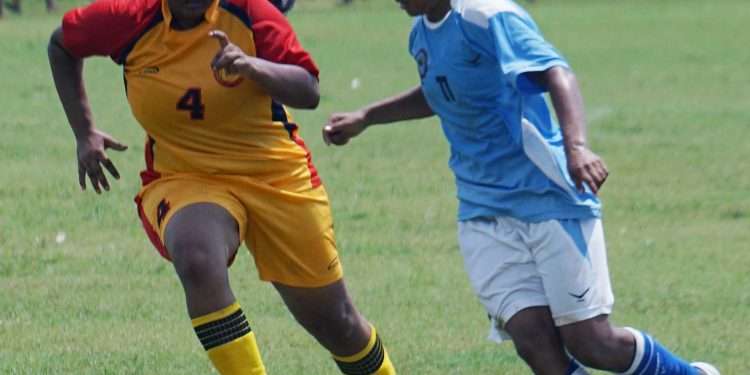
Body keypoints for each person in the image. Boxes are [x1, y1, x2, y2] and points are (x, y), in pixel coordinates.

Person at [322, 0, 719, 374]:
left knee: (591, 342)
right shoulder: (420, 31)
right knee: (532, 339)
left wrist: (576, 148)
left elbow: (555, 71)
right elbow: (442, 91)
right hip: (481, 209)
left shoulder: (487, 15)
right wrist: (367, 117)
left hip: (546, 196)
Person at [47, 0, 396, 374]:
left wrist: (252, 65)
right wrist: (84, 133)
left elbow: (307, 89)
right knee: (197, 258)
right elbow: (62, 44)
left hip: (274, 176)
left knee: (337, 323)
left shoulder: (250, 11)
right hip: (186, 177)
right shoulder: (129, 18)